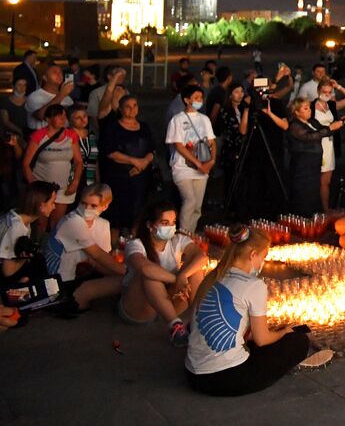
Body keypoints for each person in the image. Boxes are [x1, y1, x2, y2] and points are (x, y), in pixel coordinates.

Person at [186, 225, 321, 395]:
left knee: (273, 334)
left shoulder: (213, 277)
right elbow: (262, 340)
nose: (263, 263)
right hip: (226, 379)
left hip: (193, 375)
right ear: (252, 255)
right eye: (263, 256)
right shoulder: (253, 285)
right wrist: (284, 332)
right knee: (298, 341)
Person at [119, 200, 208, 344]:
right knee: (150, 275)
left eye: (173, 222)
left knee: (195, 271)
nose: (171, 227)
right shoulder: (136, 244)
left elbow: (202, 257)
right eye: (165, 223)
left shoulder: (178, 240)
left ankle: (198, 319)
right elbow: (145, 268)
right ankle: (175, 326)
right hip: (138, 306)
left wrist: (184, 275)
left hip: (168, 300)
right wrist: (177, 279)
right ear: (150, 225)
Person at [46, 183, 124, 311]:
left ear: (105, 206)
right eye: (83, 203)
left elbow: (101, 261)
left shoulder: (103, 224)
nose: (86, 208)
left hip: (84, 272)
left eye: (93, 206)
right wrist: (128, 273)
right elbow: (97, 254)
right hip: (61, 281)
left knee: (123, 280)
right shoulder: (72, 222)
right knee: (126, 281)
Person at [99, 94, 155, 235]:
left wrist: (143, 163)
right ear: (121, 109)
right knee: (116, 215)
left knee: (138, 213)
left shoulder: (144, 127)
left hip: (141, 178)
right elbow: (110, 152)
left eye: (135, 105)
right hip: (118, 178)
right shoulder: (112, 127)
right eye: (128, 106)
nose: (132, 109)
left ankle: (134, 243)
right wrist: (134, 161)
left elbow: (151, 149)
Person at [23, 104, 83, 233]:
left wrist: (75, 182)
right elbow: (26, 163)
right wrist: (34, 186)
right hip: (43, 188)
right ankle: (37, 249)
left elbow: (78, 161)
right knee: (40, 222)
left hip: (63, 187)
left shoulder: (71, 135)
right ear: (48, 119)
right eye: (58, 116)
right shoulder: (39, 135)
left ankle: (51, 250)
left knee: (58, 222)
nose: (63, 119)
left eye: (64, 115)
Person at [167, 84, 217, 233]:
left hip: (203, 167)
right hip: (183, 167)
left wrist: (211, 161)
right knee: (190, 200)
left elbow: (212, 142)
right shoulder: (177, 119)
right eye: (196, 98)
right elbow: (178, 145)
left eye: (201, 98)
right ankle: (182, 233)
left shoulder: (204, 119)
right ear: (187, 100)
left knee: (197, 206)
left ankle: (191, 234)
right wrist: (196, 163)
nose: (199, 100)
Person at [286, 98, 344, 218]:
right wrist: (330, 128)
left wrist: (338, 125)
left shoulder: (312, 122)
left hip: (314, 163)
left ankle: (312, 217)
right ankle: (301, 218)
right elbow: (309, 137)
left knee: (313, 190)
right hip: (303, 164)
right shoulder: (295, 125)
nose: (309, 111)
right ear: (297, 112)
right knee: (303, 191)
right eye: (305, 109)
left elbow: (324, 131)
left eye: (309, 108)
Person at [311, 78, 345, 212]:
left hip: (330, 146)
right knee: (315, 179)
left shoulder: (331, 105)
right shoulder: (311, 107)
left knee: (327, 181)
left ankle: (326, 209)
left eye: (329, 92)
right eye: (324, 91)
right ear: (318, 91)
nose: (326, 94)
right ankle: (315, 208)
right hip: (317, 145)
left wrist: (339, 86)